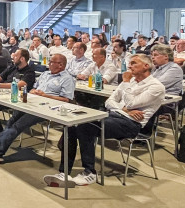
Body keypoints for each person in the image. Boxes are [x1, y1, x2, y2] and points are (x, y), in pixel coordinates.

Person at [44, 54, 165, 187]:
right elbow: (109, 102)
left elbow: (131, 103)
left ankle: (90, 172)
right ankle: (64, 172)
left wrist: (125, 84)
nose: (129, 66)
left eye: (134, 63)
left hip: (131, 124)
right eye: (130, 63)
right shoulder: (131, 81)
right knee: (71, 125)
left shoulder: (156, 86)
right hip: (113, 115)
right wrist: (124, 109)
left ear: (146, 66)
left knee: (85, 127)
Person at [0, 54, 74, 163]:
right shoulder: (45, 74)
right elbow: (34, 87)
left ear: (60, 65)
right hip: (32, 102)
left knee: (19, 125)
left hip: (47, 108)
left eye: (51, 62)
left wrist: (45, 95)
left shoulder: (67, 79)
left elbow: (66, 100)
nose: (48, 64)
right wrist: (33, 91)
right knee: (11, 121)